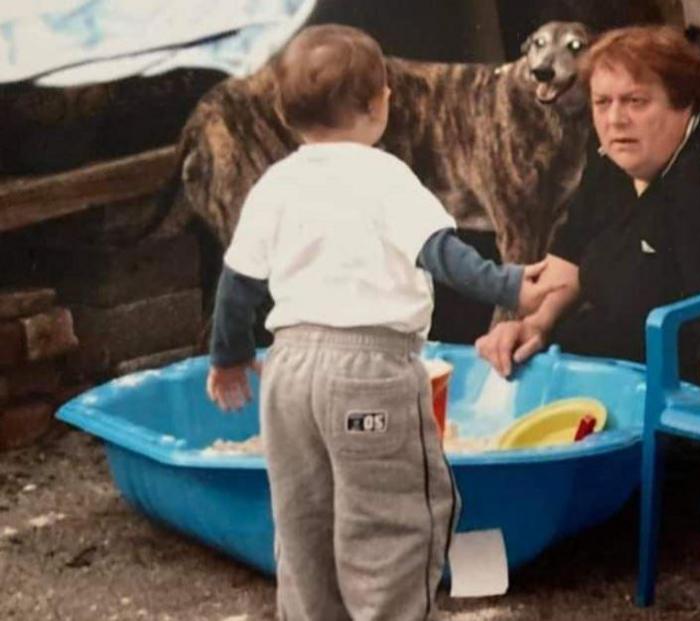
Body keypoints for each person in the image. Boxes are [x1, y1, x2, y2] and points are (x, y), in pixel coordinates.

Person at [203, 25, 558, 621]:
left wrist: (229, 356)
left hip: (287, 373)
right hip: (369, 370)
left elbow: (236, 285)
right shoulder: (387, 177)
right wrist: (512, 284)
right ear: (380, 103)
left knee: (302, 526)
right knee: (391, 524)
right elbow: (443, 255)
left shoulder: (275, 184)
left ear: (285, 114)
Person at [475, 25, 700, 535]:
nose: (614, 119)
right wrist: (536, 323)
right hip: (646, 341)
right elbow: (573, 249)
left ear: (685, 105)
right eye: (602, 101)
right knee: (522, 361)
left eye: (636, 101)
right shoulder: (616, 155)